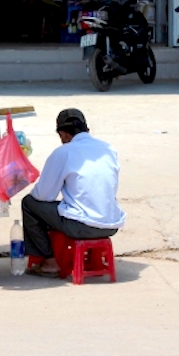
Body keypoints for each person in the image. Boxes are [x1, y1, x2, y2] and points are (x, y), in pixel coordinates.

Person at [22, 108, 126, 276]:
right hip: (111, 223)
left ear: (63, 134)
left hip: (82, 225)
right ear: (87, 129)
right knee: (65, 206)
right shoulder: (108, 149)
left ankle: (49, 262)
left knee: (29, 203)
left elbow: (42, 195)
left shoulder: (64, 152)